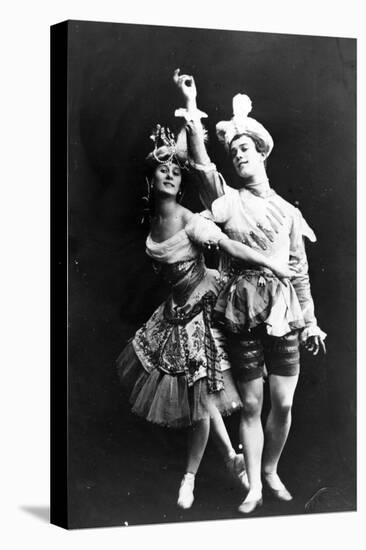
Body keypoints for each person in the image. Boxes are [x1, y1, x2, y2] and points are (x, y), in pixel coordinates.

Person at [116, 122, 293, 510]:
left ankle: (197, 475)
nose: (170, 175)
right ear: (151, 177)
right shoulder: (152, 221)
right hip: (176, 311)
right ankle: (227, 459)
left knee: (208, 393)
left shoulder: (188, 218)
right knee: (200, 397)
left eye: (177, 172)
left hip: (207, 302)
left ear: (181, 186)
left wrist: (268, 262)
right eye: (163, 170)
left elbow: (227, 243)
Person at [173, 69, 326, 514]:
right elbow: (202, 168)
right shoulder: (228, 200)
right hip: (240, 309)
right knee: (252, 402)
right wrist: (192, 103)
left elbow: (298, 271)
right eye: (234, 151)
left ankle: (271, 469)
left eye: (245, 149)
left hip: (284, 313)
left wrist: (312, 321)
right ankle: (254, 486)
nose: (239, 156)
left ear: (261, 154)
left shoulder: (288, 213)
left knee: (283, 401)